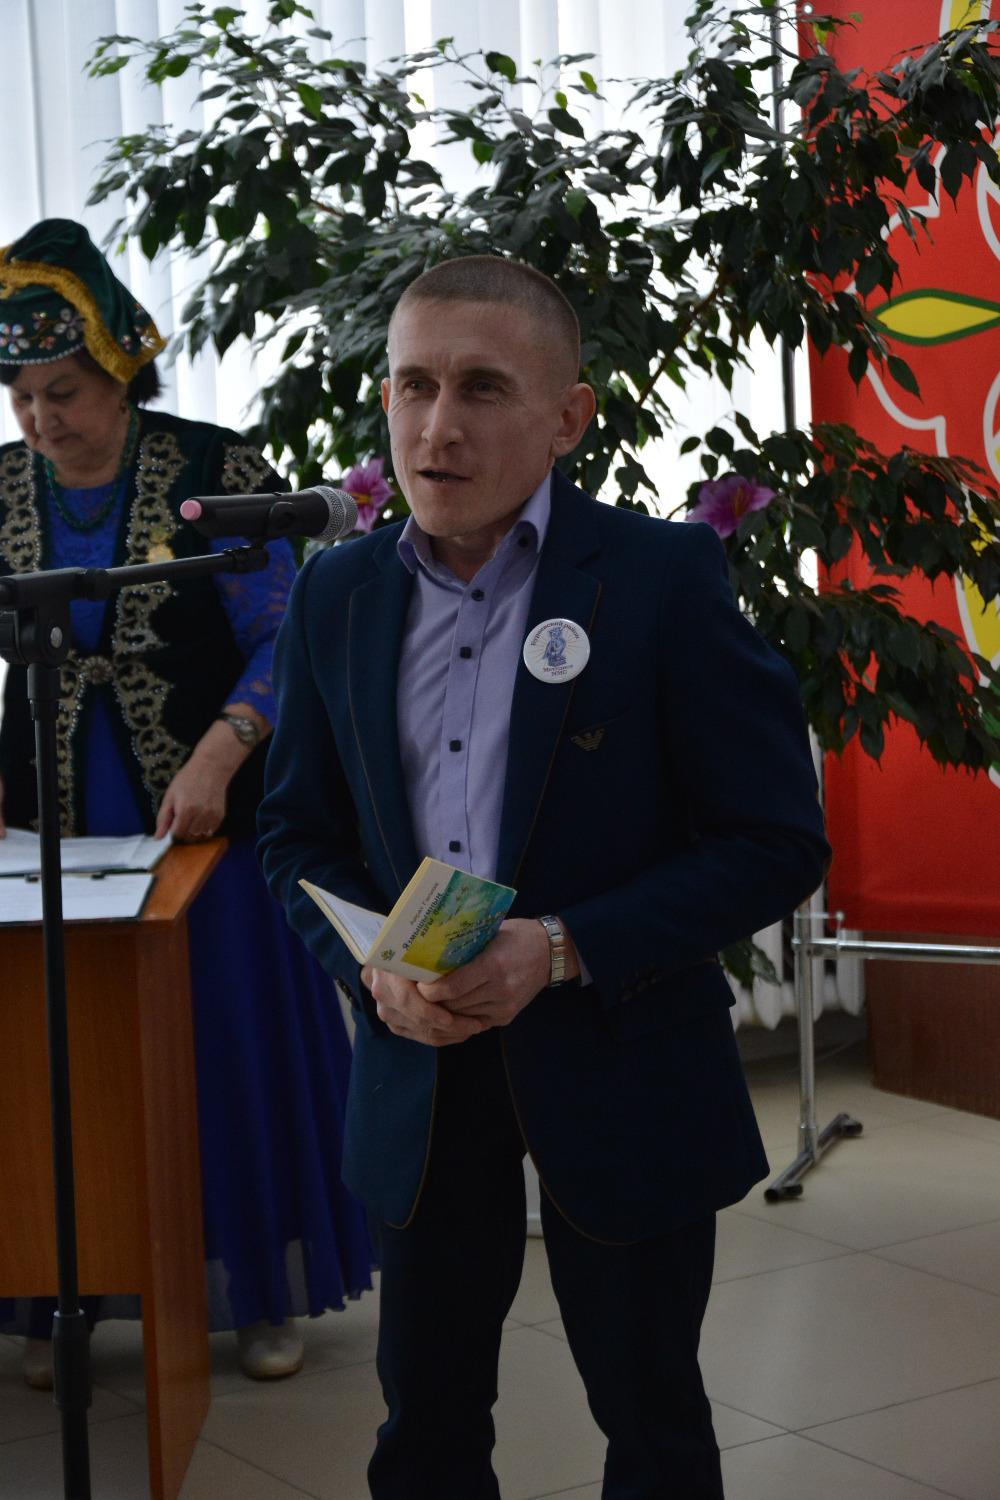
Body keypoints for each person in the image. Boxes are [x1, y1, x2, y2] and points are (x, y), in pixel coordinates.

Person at [257, 255, 830, 1498]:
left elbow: (776, 841)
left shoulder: (661, 580)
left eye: (481, 388)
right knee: (423, 1430)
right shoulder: (338, 593)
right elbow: (295, 835)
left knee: (651, 1422)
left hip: (620, 1064)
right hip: (421, 1071)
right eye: (413, 386)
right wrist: (372, 969)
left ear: (568, 417)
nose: (436, 427)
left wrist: (562, 947)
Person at [0, 218, 372, 1387]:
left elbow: (286, 637)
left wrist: (219, 754)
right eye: (21, 398)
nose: (41, 420)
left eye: (63, 393)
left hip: (210, 815)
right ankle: (67, 1296)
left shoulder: (217, 471)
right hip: (55, 815)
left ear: (120, 370)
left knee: (225, 1049)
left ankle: (257, 1292)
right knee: (72, 1060)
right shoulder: (4, 487)